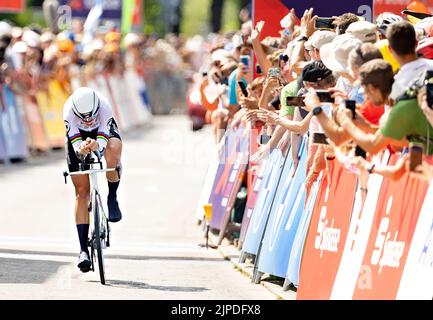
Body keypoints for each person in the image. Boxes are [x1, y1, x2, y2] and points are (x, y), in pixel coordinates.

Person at [64, 87, 123, 272]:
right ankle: (83, 251)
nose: (88, 120)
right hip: (78, 136)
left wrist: (98, 145)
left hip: (101, 132)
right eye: (84, 117)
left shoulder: (104, 105)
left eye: (91, 116)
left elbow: (105, 135)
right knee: (82, 192)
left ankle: (112, 197)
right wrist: (81, 149)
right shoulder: (68, 112)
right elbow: (74, 142)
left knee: (114, 149)